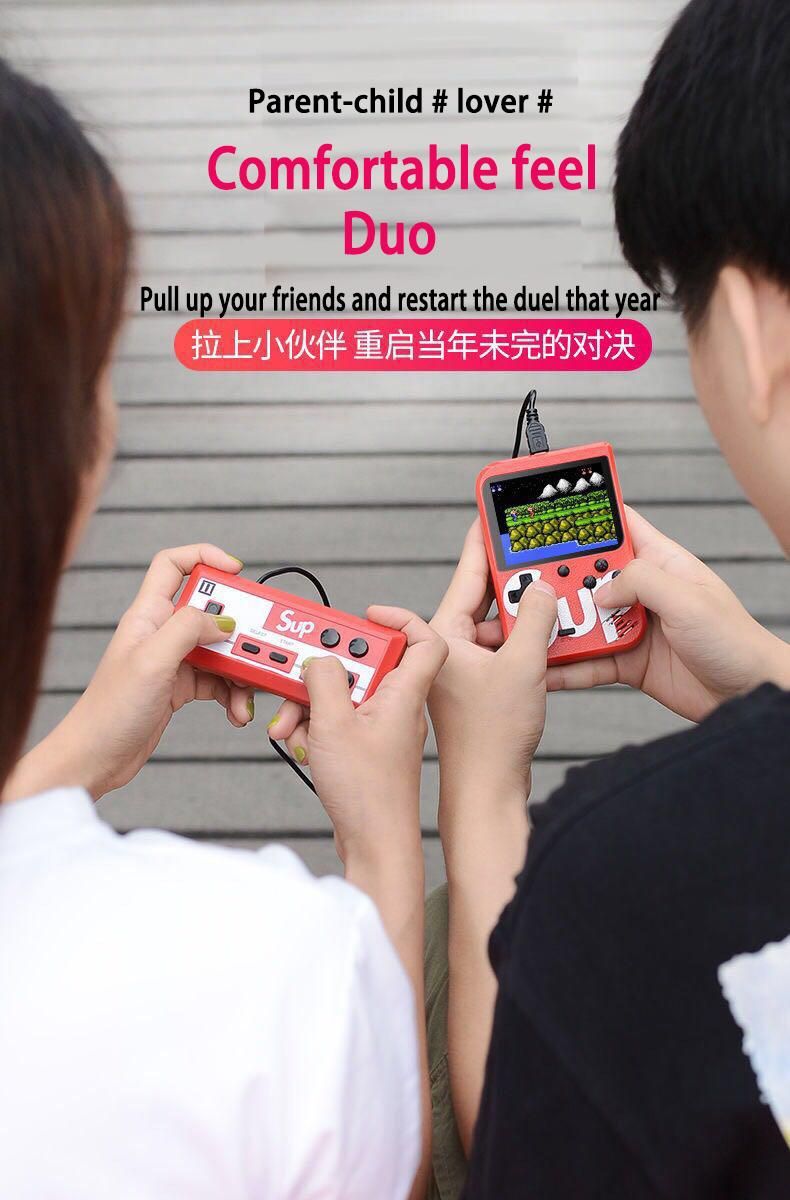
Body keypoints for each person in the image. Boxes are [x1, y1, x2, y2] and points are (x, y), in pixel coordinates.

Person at [0, 58, 448, 1199]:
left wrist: (69, 763)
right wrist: (383, 845)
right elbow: (377, 1159)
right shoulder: (264, 967)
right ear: (73, 461)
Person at [422, 0, 790, 1195]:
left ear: (753, 333)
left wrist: (482, 793)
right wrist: (768, 681)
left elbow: (518, 1133)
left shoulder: (629, 870)